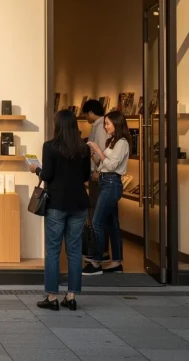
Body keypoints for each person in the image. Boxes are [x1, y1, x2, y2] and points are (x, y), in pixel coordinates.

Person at [29, 110, 91, 311]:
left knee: (53, 251)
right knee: (74, 250)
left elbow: (47, 174)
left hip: (57, 203)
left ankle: (52, 296)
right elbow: (85, 176)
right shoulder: (83, 148)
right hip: (79, 204)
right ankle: (71, 296)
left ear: (57, 125)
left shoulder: (50, 147)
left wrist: (35, 170)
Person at [84, 110, 130, 275]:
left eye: (108, 124)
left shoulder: (122, 143)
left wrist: (97, 148)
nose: (105, 127)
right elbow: (103, 164)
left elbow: (111, 166)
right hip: (105, 181)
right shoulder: (113, 142)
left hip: (111, 183)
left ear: (117, 124)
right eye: (105, 123)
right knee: (112, 224)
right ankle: (116, 262)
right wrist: (95, 155)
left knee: (96, 222)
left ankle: (96, 262)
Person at [82, 99, 110, 261]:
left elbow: (100, 151)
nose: (86, 117)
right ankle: (101, 250)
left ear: (91, 112)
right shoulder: (100, 126)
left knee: (97, 213)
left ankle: (99, 252)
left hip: (97, 175)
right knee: (99, 213)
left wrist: (95, 170)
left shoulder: (100, 127)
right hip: (98, 174)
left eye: (86, 113)